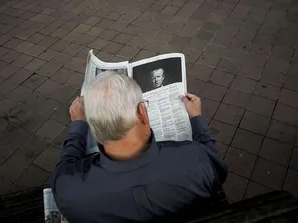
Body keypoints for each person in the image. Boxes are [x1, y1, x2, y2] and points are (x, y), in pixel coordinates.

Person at [50, 72, 228, 223]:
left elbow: (67, 163)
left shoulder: (69, 190)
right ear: (143, 113)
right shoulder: (197, 162)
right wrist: (196, 117)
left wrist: (78, 125)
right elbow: (218, 167)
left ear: (94, 126)